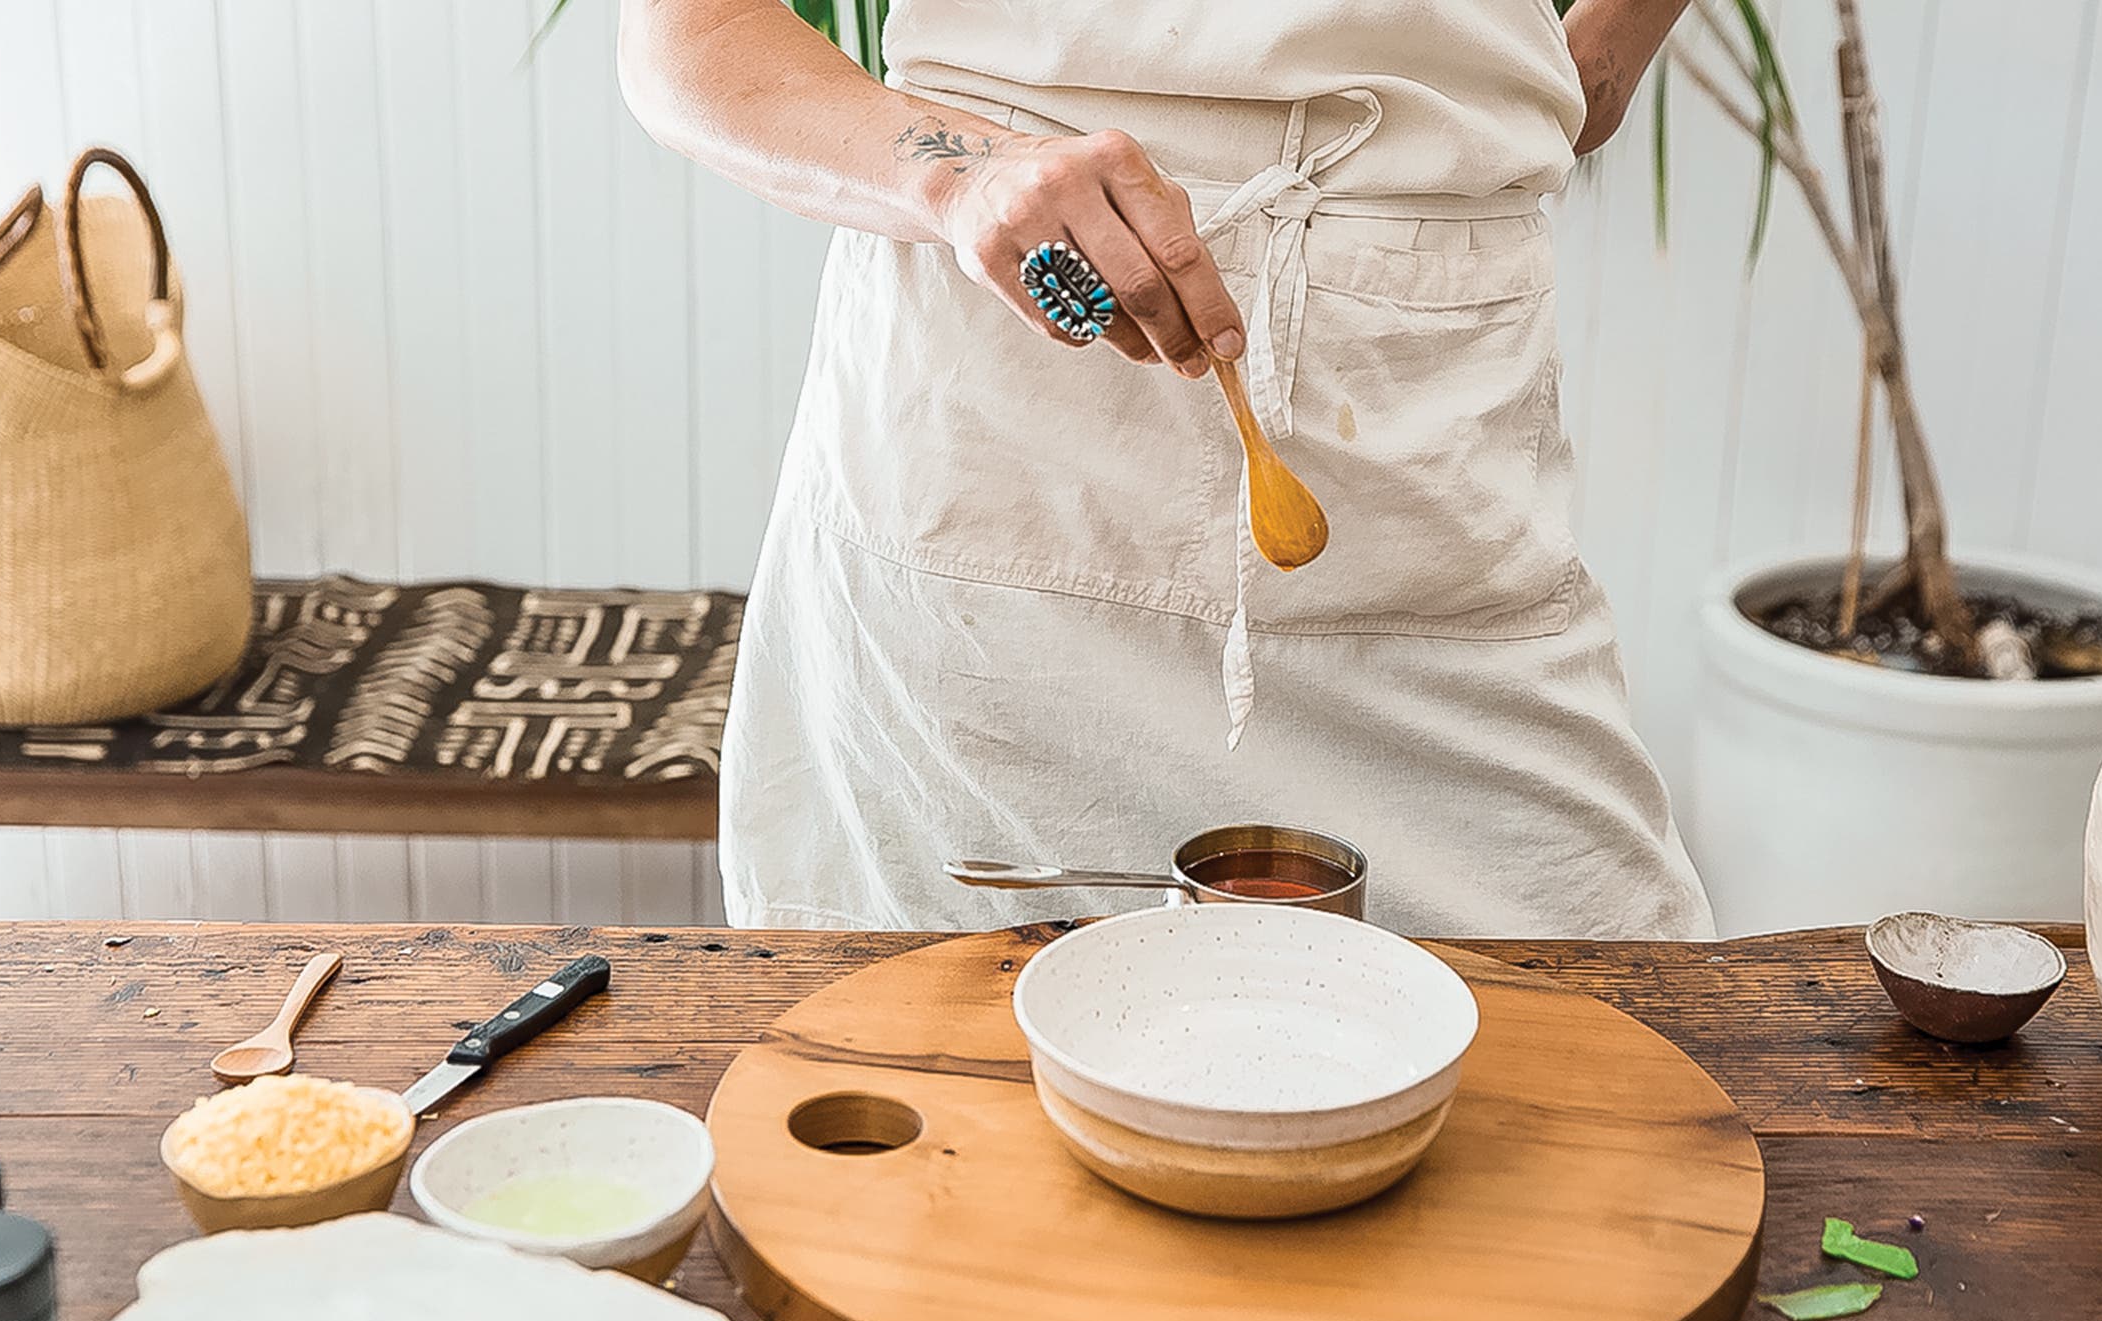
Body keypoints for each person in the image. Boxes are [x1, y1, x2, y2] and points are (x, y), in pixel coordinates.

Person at [619, 0, 1715, 937]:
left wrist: (1608, 42)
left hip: (1424, 408)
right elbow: (692, 35)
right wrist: (967, 180)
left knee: (1615, 1033)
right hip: (997, 446)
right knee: (948, 1090)